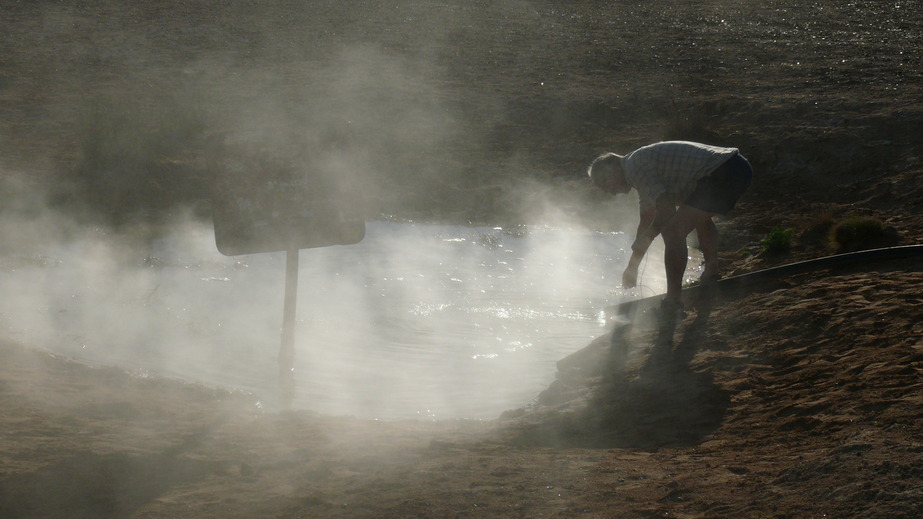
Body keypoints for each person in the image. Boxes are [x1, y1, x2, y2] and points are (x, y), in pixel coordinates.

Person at [588, 141, 752, 318]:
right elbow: (647, 219)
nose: (609, 192)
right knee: (697, 218)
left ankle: (673, 303)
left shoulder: (634, 167)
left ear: (609, 173)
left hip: (724, 172)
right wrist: (632, 267)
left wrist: (650, 236)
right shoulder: (637, 168)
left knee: (673, 231)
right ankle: (711, 273)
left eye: (604, 185)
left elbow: (665, 210)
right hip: (734, 167)